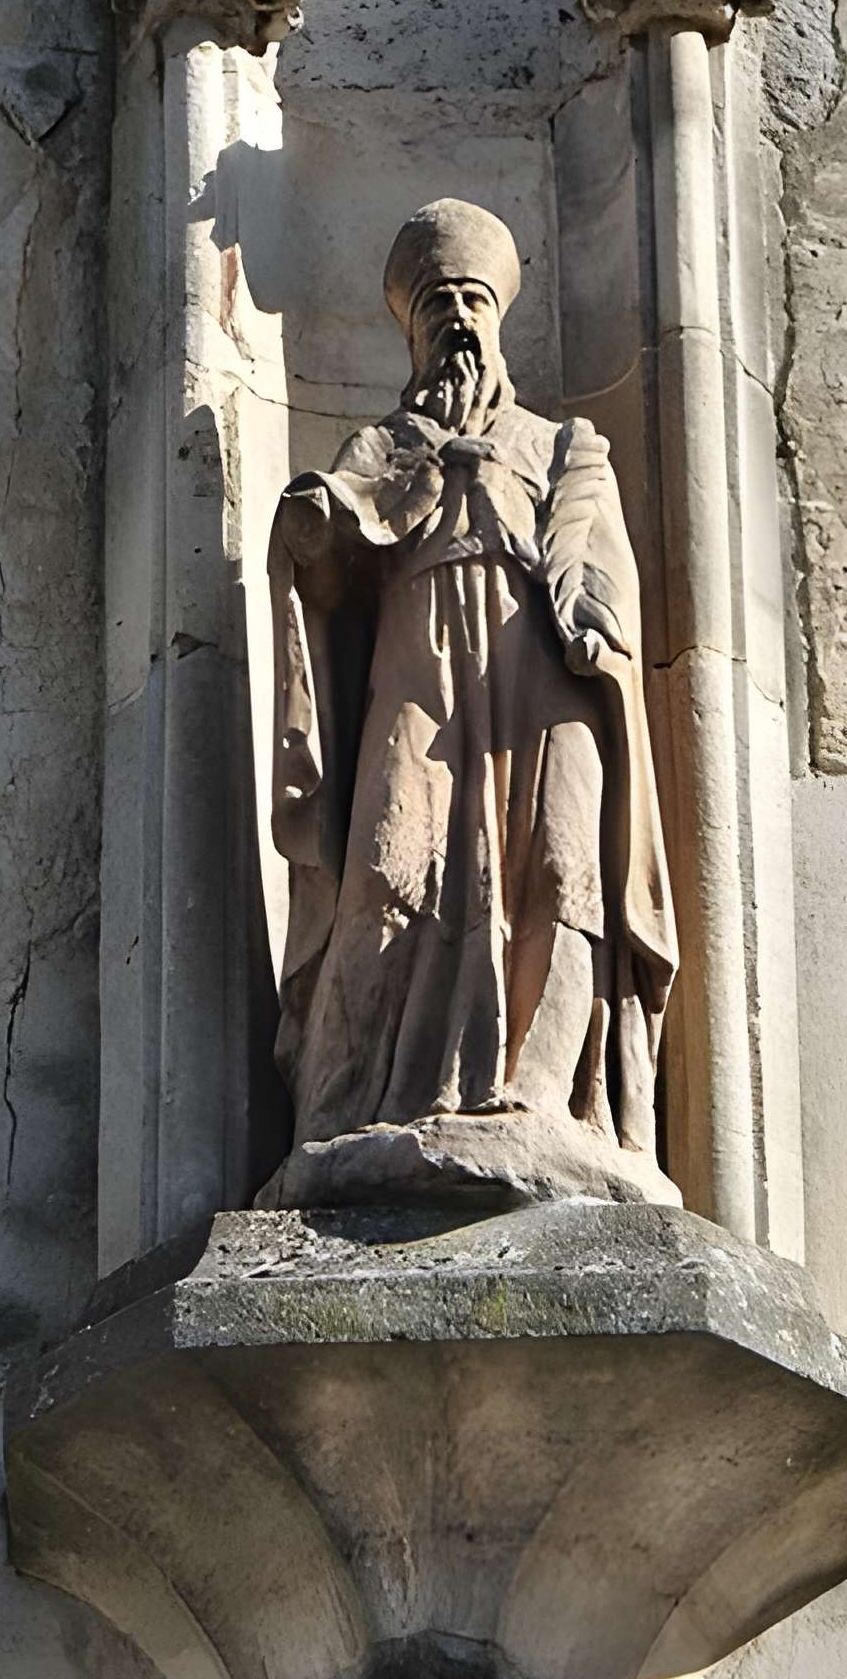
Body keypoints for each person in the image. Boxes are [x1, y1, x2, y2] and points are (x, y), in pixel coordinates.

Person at [265, 197, 678, 1200]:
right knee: (387, 861)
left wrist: (590, 621)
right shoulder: (383, 444)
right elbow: (339, 535)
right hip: (417, 665)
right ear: (414, 329)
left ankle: (548, 1095)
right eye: (439, 303)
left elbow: (592, 551)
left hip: (538, 673)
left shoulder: (565, 442)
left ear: (497, 322)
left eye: (472, 302)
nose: (457, 320)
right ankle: (355, 1104)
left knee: (560, 865)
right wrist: (319, 519)